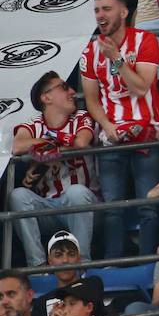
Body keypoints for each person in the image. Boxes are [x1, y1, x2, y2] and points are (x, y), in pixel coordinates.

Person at [79, 0, 159, 258]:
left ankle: (150, 264)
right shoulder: (89, 51)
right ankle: (112, 267)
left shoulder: (146, 40)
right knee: (112, 207)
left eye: (106, 9)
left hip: (147, 133)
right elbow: (91, 100)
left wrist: (116, 59)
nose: (100, 15)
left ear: (124, 12)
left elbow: (141, 88)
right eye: (96, 10)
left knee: (148, 205)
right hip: (112, 136)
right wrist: (106, 125)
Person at [9, 73, 98, 266]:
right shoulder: (33, 125)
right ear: (46, 97)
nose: (73, 92)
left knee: (76, 192)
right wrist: (50, 146)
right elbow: (18, 145)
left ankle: (81, 265)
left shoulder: (81, 117)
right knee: (18, 195)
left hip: (84, 207)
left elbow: (81, 142)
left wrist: (49, 151)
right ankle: (38, 267)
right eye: (64, 87)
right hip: (48, 207)